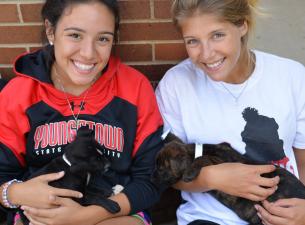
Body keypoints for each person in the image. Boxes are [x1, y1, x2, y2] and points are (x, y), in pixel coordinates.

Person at [0, 0, 163, 225]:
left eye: (103, 39)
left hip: (113, 212)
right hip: (41, 214)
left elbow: (151, 180)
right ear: (50, 31)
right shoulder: (19, 93)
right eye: (75, 35)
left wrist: (85, 217)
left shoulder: (134, 87)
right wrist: (16, 193)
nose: (88, 53)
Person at [155, 0, 305, 225]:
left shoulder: (292, 76)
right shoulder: (176, 84)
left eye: (217, 35)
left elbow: (303, 161)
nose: (206, 54)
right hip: (207, 219)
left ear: (242, 25)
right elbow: (170, 172)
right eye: (193, 41)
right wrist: (213, 177)